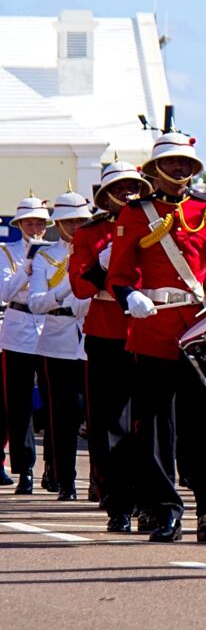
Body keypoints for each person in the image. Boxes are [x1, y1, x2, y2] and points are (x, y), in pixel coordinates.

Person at [107, 131, 206, 543]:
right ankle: (165, 510)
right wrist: (129, 295)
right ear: (156, 169)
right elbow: (118, 274)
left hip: (200, 330)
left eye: (185, 163)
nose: (180, 169)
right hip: (154, 330)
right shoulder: (136, 213)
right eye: (172, 163)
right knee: (156, 427)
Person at [71, 160, 152, 529]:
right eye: (120, 189)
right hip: (106, 331)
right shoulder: (89, 234)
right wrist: (106, 264)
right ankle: (117, 500)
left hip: (149, 330)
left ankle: (149, 498)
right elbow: (81, 286)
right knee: (109, 423)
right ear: (106, 196)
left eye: (133, 188)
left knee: (149, 421)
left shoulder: (154, 225)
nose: (128, 194)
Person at [29, 186, 92, 501]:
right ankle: (65, 480)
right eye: (70, 221)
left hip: (92, 337)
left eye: (82, 221)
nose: (76, 227)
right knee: (64, 416)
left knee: (97, 416)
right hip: (57, 339)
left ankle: (100, 480)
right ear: (59, 223)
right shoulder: (45, 256)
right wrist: (68, 286)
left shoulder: (97, 252)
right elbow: (36, 302)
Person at [1, 194, 50, 493]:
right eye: (29, 222)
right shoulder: (6, 251)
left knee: (54, 405)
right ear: (19, 224)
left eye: (39, 223)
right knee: (18, 404)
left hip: (51, 329)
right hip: (18, 328)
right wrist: (28, 264)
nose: (34, 228)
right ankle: (25, 470)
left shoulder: (57, 252)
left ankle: (56, 470)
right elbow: (6, 291)